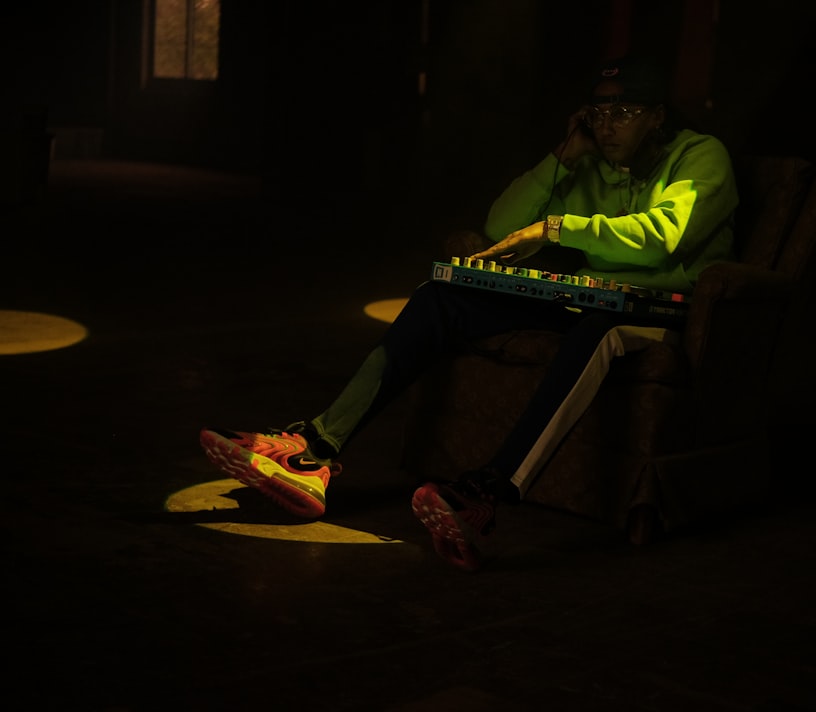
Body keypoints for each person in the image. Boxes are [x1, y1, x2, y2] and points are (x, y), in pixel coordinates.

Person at [199, 54, 739, 571]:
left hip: (659, 312)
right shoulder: (590, 162)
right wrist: (563, 157)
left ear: (658, 116)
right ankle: (313, 451)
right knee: (443, 298)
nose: (609, 125)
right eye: (598, 113)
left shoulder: (700, 155)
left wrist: (555, 229)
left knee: (600, 329)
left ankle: (485, 497)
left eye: (624, 112)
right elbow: (503, 218)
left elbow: (660, 240)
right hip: (587, 296)